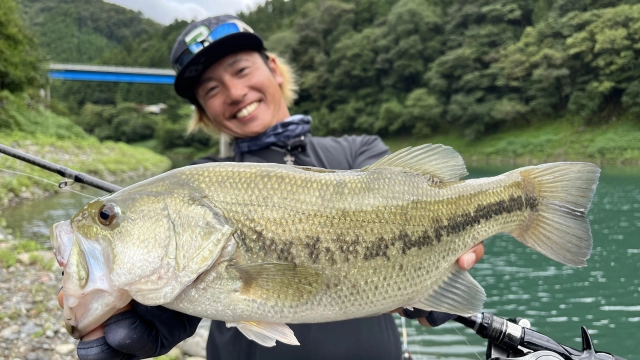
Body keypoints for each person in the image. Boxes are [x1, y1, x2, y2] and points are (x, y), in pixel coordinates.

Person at [66, 15, 485, 360]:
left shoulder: (360, 153)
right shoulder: (198, 178)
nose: (234, 92)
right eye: (210, 89)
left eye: (241, 70)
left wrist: (434, 287)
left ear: (273, 68)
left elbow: (420, 233)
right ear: (202, 112)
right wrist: (129, 302)